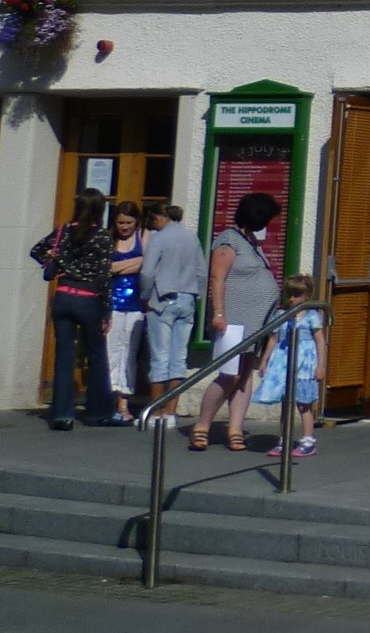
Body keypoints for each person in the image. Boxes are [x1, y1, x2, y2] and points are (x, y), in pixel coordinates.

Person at [188, 192, 280, 453]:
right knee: (229, 374)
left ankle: (235, 429)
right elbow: (217, 279)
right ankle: (202, 426)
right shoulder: (229, 240)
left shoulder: (250, 240)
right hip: (234, 320)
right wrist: (218, 314)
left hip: (254, 322)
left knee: (245, 375)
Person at [27, 188, 121, 430]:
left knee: (64, 355)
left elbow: (36, 251)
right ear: (101, 209)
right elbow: (104, 276)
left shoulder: (63, 232)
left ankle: (61, 414)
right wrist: (107, 310)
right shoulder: (102, 236)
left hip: (63, 296)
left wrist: (56, 263)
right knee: (97, 355)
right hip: (89, 298)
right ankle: (98, 412)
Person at [138, 204, 204, 422]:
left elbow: (147, 272)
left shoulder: (159, 238)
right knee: (179, 358)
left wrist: (145, 295)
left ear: (160, 217)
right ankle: (171, 413)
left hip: (163, 298)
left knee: (160, 357)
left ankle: (156, 411)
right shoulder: (191, 237)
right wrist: (197, 294)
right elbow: (201, 271)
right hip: (187, 298)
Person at [253, 274, 326, 458]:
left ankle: (308, 440)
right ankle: (284, 439)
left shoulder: (312, 316)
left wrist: (321, 365)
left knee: (303, 403)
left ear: (306, 296)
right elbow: (274, 338)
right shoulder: (282, 314)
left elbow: (320, 341)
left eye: (297, 295)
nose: (292, 299)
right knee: (286, 404)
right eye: (290, 295)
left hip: (304, 362)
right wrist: (265, 360)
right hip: (284, 361)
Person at [103, 202, 147, 422]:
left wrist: (118, 268)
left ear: (136, 222)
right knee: (111, 352)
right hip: (112, 304)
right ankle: (109, 400)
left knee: (129, 353)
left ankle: (124, 402)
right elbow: (105, 268)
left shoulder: (144, 237)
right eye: (120, 222)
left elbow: (146, 264)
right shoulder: (109, 239)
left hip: (136, 304)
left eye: (129, 222)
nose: (124, 227)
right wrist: (132, 264)